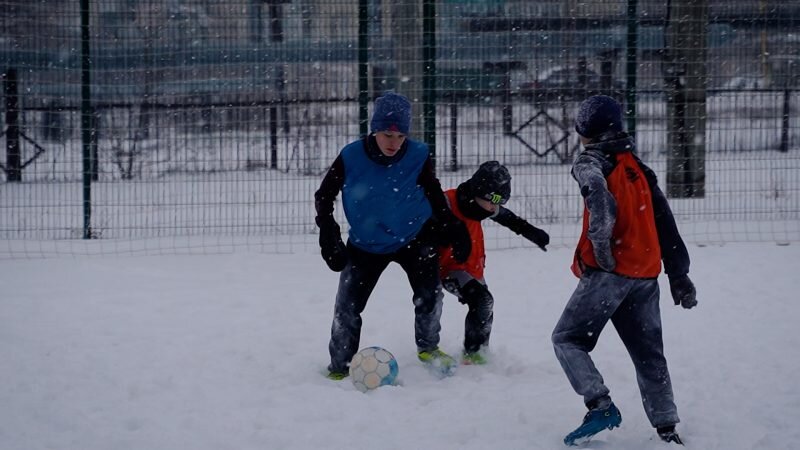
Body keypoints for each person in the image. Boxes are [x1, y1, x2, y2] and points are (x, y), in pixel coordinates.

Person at [551, 95, 698, 446]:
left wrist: (602, 247)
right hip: (645, 275)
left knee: (567, 339)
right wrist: (678, 273)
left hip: (610, 273)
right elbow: (664, 220)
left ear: (585, 130)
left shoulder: (590, 161)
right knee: (649, 355)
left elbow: (599, 201)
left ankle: (599, 405)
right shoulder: (638, 166)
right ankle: (666, 427)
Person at [314, 92, 472, 380]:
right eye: (387, 134)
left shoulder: (418, 154)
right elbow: (324, 195)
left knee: (430, 296)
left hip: (414, 236)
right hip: (366, 243)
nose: (394, 143)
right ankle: (340, 366)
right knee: (347, 307)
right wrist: (328, 232)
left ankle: (428, 347)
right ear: (375, 130)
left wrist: (451, 224)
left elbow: (433, 191)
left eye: (400, 136)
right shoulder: (351, 156)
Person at [438, 161, 550, 365]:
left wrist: (531, 232)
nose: (494, 207)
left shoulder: (483, 204)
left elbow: (508, 218)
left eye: (500, 202)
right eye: (492, 201)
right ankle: (472, 355)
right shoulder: (447, 202)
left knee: (485, 307)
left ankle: (479, 352)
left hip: (472, 267)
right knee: (482, 301)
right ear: (478, 192)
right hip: (448, 268)